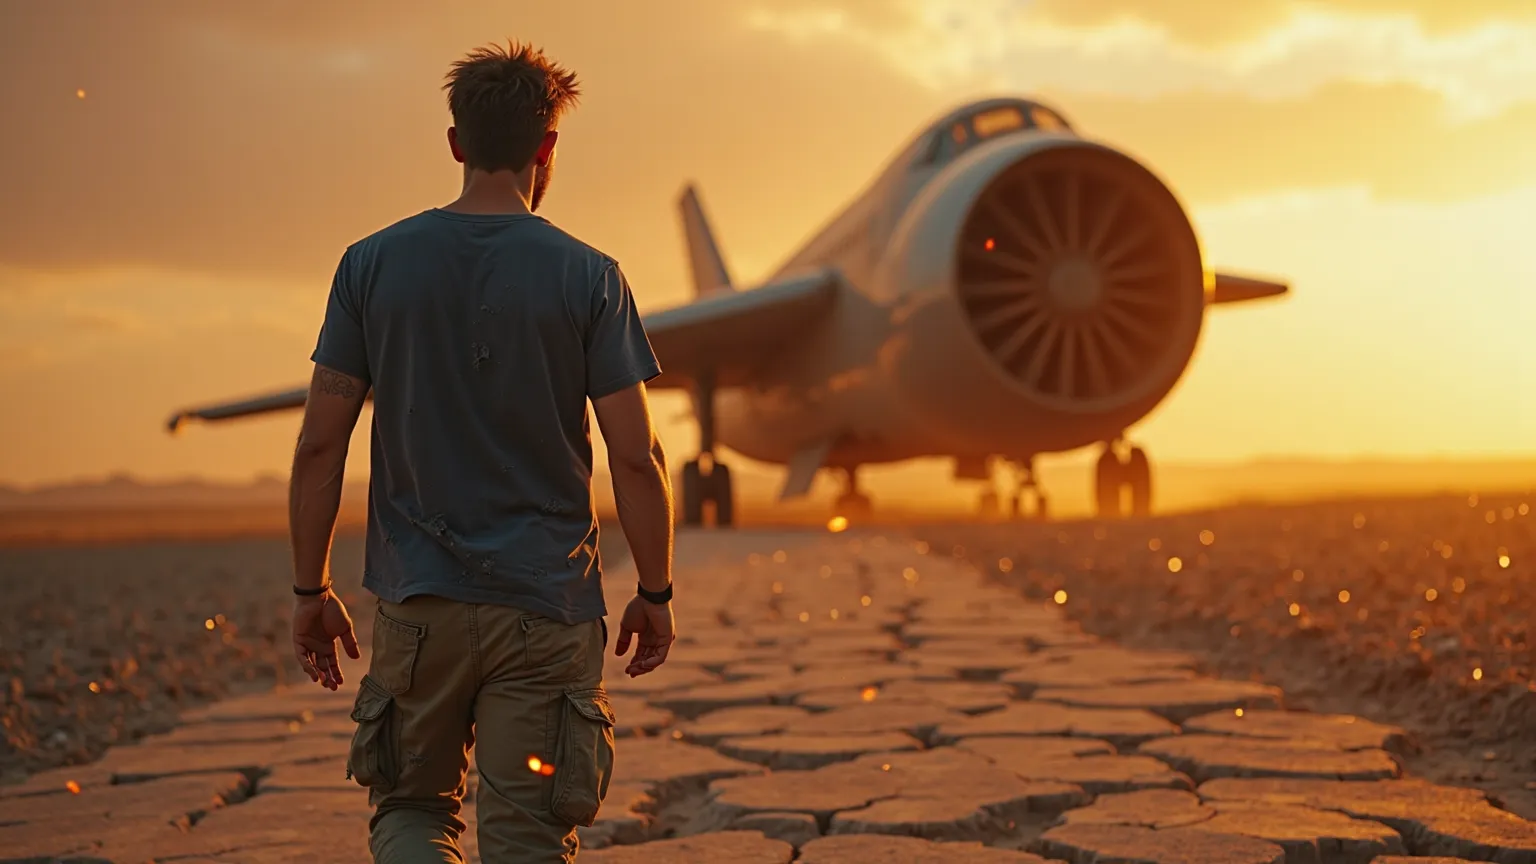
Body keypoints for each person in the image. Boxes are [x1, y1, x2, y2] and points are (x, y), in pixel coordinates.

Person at [284, 40, 677, 863]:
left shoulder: (370, 265)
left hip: (415, 610)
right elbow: (636, 457)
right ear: (548, 148)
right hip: (546, 609)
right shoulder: (592, 277)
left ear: (456, 142)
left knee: (412, 813)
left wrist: (309, 589)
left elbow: (321, 442)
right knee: (527, 836)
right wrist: (654, 589)